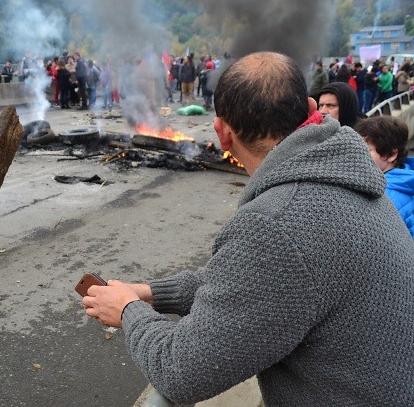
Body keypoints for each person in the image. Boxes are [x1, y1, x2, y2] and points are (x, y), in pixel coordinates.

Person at [82, 51, 414, 405]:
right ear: (311, 106)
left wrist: (128, 310)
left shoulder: (277, 224)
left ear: (223, 134)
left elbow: (180, 372)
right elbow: (249, 285)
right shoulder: (350, 177)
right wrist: (151, 292)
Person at [354, 116, 414, 237]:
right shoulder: (405, 178)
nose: (356, 155)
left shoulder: (384, 196)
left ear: (391, 154)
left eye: (365, 150)